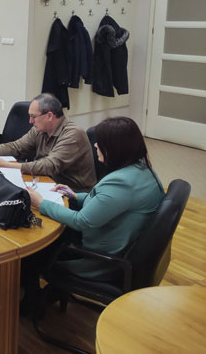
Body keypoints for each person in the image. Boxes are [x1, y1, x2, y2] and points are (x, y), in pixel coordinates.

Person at [20, 117, 164, 311]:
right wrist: (74, 195)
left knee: (33, 242)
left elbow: (81, 221)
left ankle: (31, 301)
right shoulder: (142, 169)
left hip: (97, 257)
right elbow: (108, 202)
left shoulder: (121, 183)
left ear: (115, 148)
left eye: (100, 142)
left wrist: (41, 203)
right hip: (117, 240)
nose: (95, 145)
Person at [0, 93, 96, 192]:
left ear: (49, 116)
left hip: (72, 191)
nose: (30, 121)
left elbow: (49, 166)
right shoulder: (40, 129)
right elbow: (17, 147)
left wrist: (7, 165)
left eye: (33, 117)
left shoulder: (73, 134)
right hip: (44, 181)